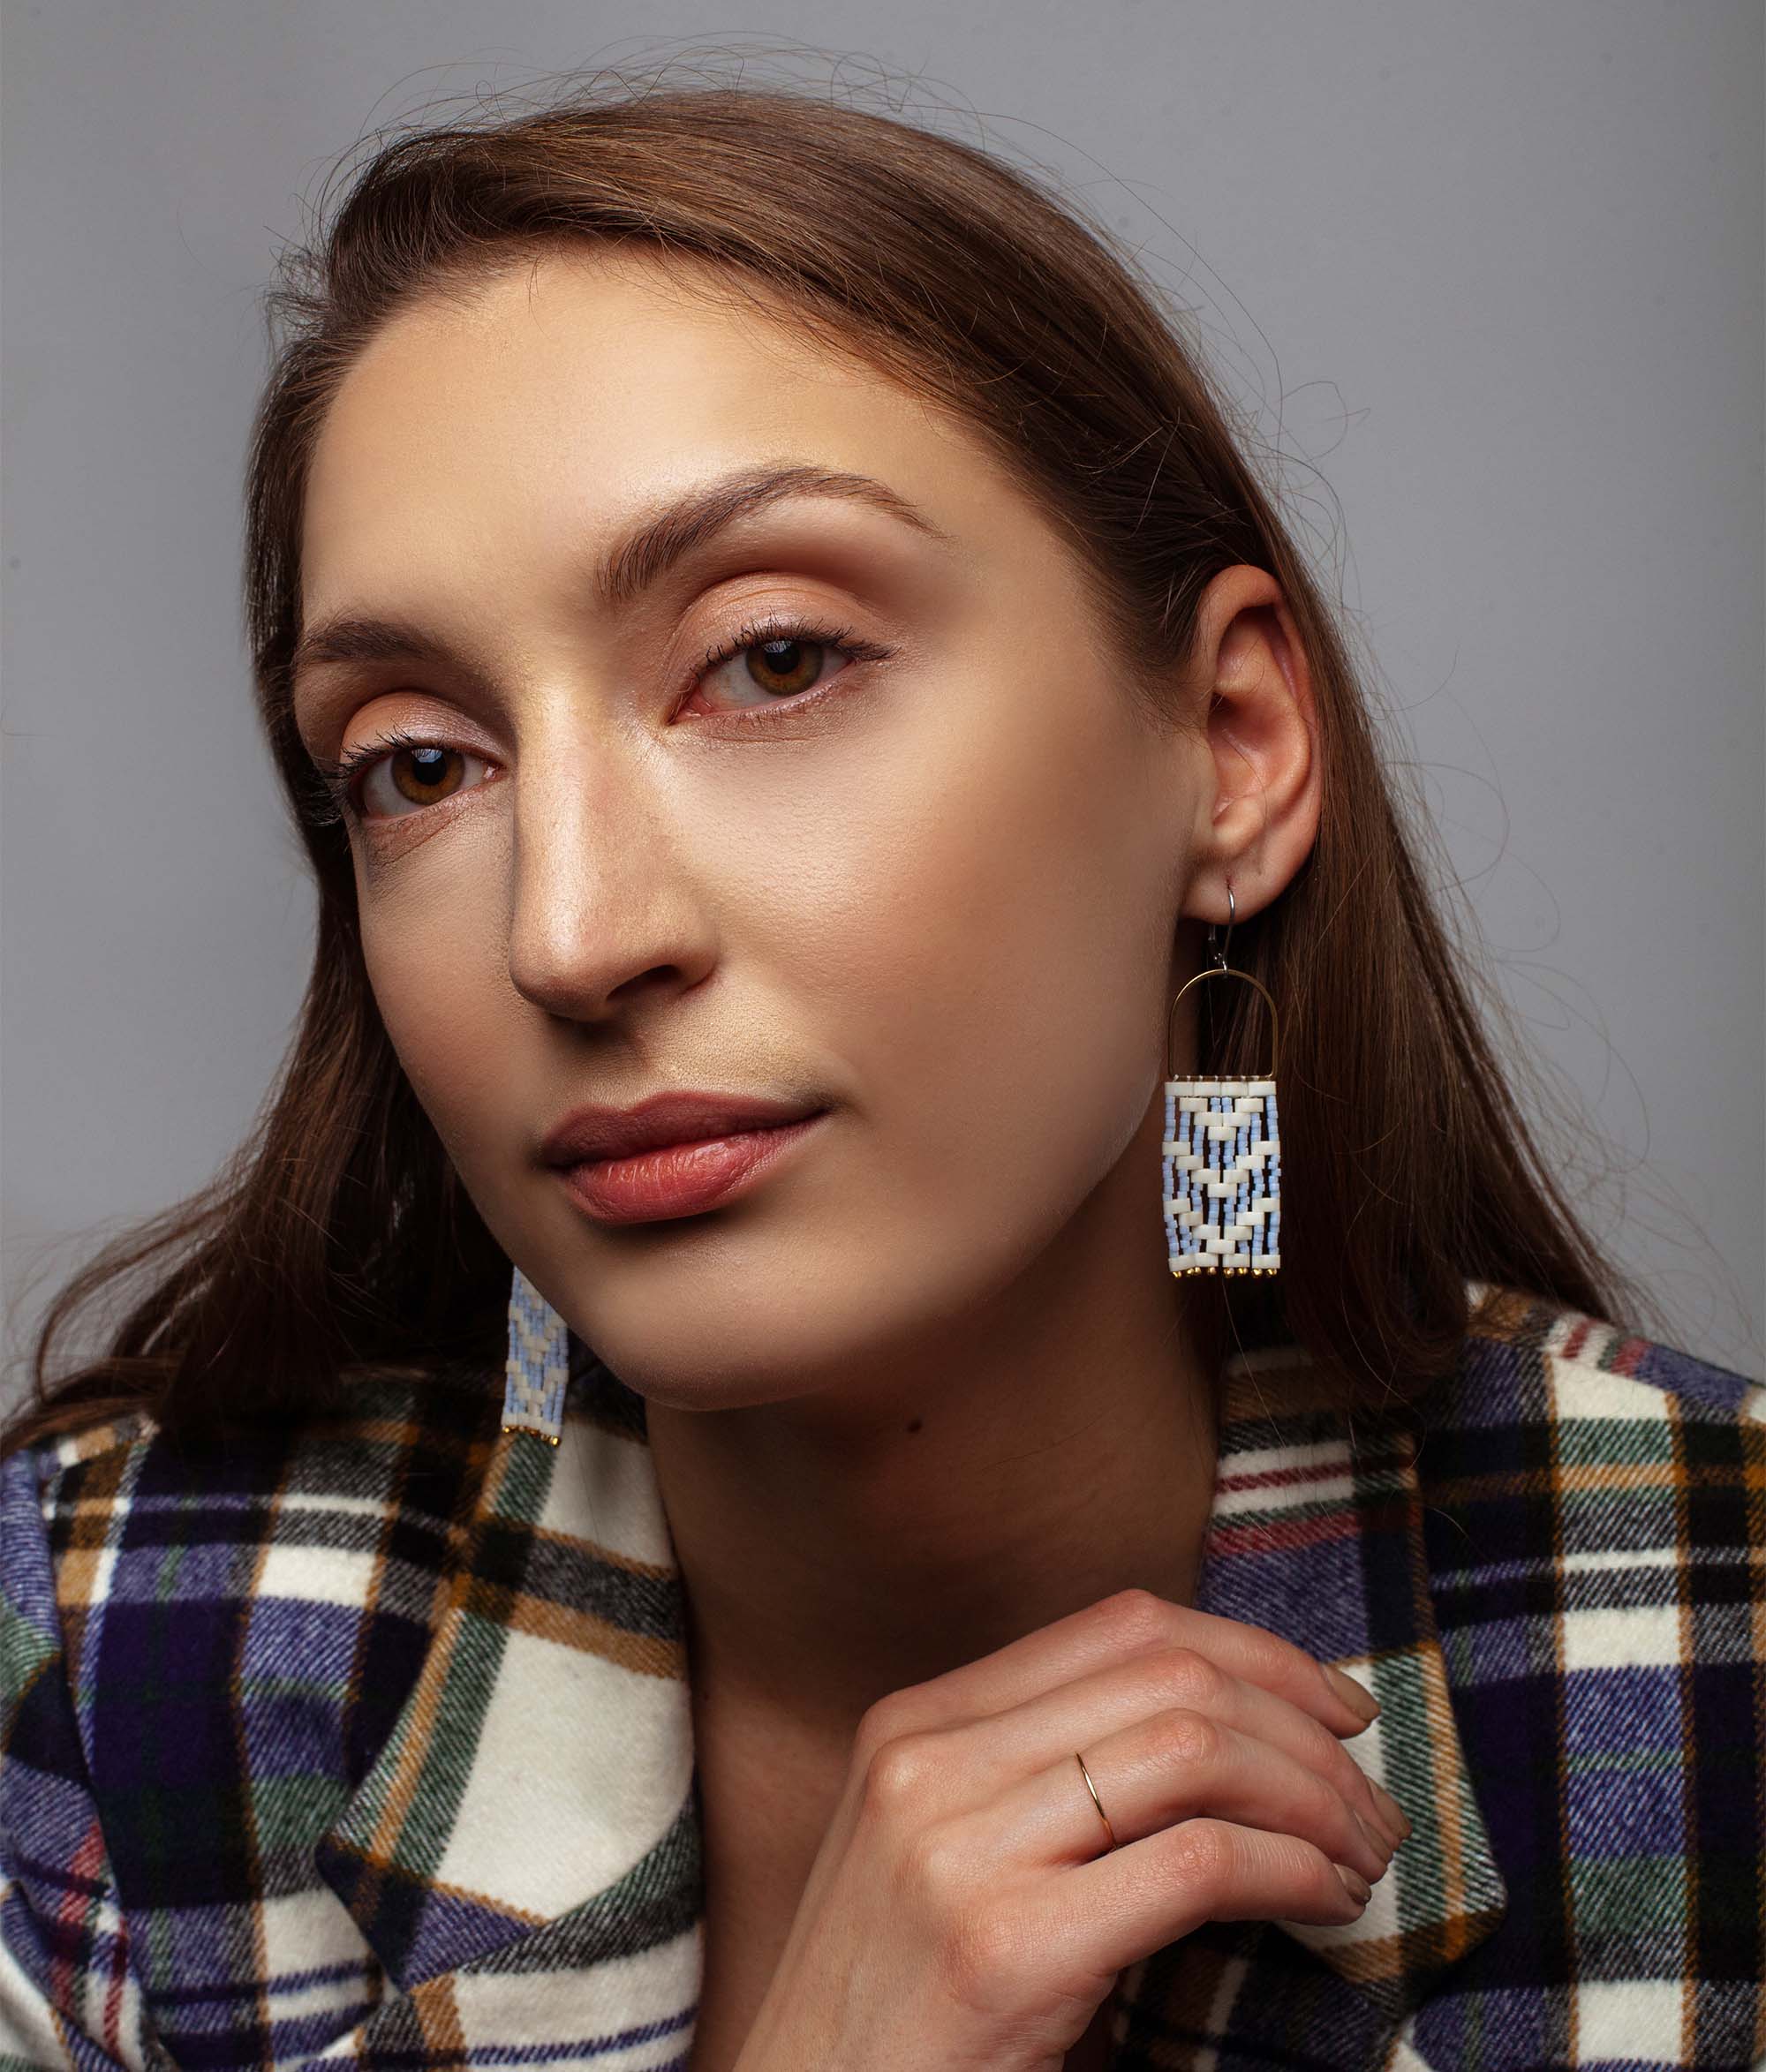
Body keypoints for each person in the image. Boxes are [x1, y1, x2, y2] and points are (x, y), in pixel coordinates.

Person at [1, 72, 1759, 2072]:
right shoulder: (102, 1669)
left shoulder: (1721, 1656)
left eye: (774, 658)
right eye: (421, 763)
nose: (567, 933)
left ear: (1233, 748)